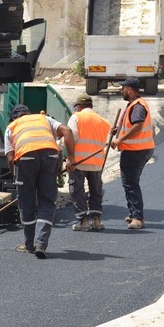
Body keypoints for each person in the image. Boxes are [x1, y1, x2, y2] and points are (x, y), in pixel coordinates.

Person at [5, 104, 75, 259]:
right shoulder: (44, 119)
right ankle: (41, 243)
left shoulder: (11, 127)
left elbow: (10, 157)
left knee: (27, 203)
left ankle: (29, 244)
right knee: (47, 202)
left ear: (14, 118)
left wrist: (15, 175)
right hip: (50, 156)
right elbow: (68, 131)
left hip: (26, 158)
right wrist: (70, 158)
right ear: (29, 114)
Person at [111, 77, 155, 229]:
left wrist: (119, 139)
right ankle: (133, 213)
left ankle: (138, 218)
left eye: (123, 88)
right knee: (129, 182)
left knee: (131, 183)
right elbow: (131, 125)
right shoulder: (135, 104)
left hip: (136, 150)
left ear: (129, 89)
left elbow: (137, 126)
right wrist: (119, 130)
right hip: (139, 149)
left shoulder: (137, 106)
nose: (121, 90)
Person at [67, 94, 112, 231]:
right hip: (97, 162)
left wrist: (68, 156)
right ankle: (97, 220)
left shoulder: (77, 117)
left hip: (78, 162)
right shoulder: (104, 121)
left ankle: (83, 221)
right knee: (96, 191)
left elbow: (71, 137)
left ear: (79, 106)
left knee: (77, 191)